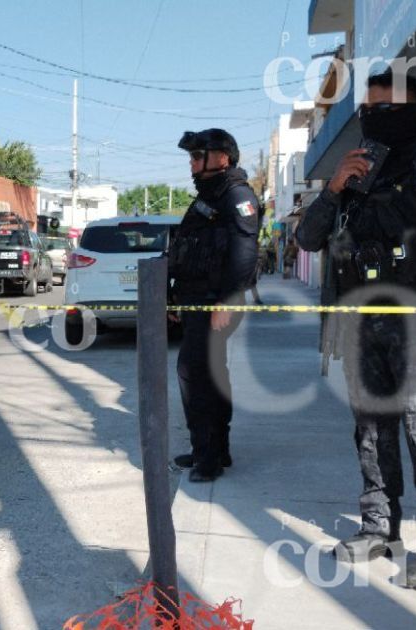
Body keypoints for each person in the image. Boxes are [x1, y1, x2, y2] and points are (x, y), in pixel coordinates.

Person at [295, 70, 416, 590]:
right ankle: (378, 527)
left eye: (389, 107)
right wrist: (334, 189)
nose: (376, 116)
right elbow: (309, 239)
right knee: (370, 430)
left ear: (414, 110)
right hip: (363, 323)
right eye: (370, 108)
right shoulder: (358, 174)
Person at [167, 128, 260, 482]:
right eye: (191, 157)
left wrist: (228, 299)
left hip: (214, 303)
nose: (191, 164)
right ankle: (213, 449)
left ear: (222, 157)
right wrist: (175, 296)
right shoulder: (212, 194)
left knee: (196, 375)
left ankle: (209, 458)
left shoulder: (235, 194)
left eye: (197, 156)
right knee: (207, 375)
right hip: (196, 300)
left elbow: (244, 252)